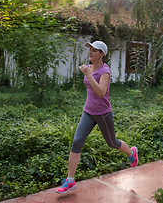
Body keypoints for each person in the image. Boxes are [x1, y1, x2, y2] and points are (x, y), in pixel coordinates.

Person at [55, 40, 138, 194]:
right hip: (88, 112)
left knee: (112, 143)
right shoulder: (90, 67)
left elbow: (100, 93)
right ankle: (70, 180)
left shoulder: (104, 71)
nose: (90, 52)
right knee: (77, 141)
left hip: (103, 114)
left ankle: (131, 152)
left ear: (102, 54)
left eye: (94, 50)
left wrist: (88, 74)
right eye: (90, 49)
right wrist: (88, 72)